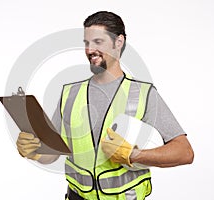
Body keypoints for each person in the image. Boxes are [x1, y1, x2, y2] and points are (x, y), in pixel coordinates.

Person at [16, 11, 194, 200]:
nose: (90, 50)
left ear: (119, 42)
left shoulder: (143, 94)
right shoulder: (70, 94)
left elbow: (184, 152)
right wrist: (34, 151)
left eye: (98, 42)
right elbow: (52, 154)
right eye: (86, 43)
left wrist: (134, 154)